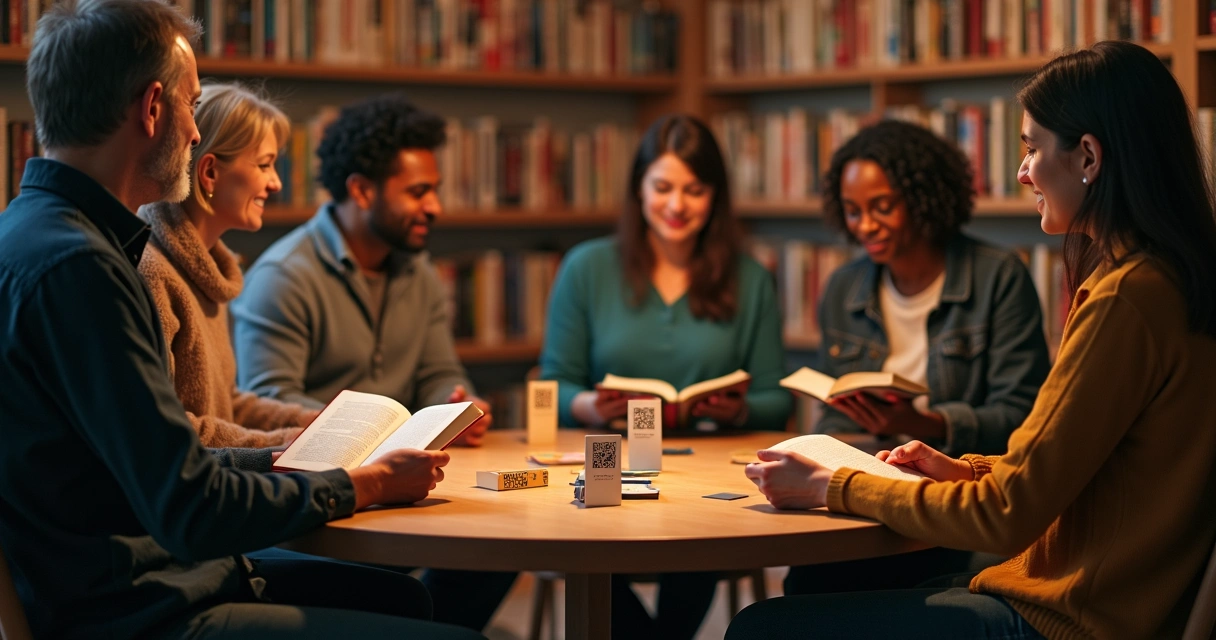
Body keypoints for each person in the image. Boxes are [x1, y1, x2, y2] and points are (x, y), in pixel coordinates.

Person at [0, 1, 479, 638]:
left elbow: (168, 466)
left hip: (157, 578)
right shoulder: (79, 270)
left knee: (407, 603)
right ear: (151, 110)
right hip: (148, 607)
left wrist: (300, 458)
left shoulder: (34, 236)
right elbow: (189, 506)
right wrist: (356, 487)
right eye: (190, 105)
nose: (197, 132)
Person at [734, 40, 1216, 639]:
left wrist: (836, 486)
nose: (1021, 172)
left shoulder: (1125, 297)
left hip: (1073, 617)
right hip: (1101, 597)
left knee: (762, 628)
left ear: (1088, 156)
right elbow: (1068, 471)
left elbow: (1005, 517)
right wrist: (960, 470)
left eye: (1032, 149)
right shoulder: (1168, 277)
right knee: (820, 592)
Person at [230, 93, 515, 630]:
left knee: (507, 540)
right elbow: (265, 403)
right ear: (361, 190)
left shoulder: (418, 272)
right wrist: (373, 447)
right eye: (418, 192)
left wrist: (458, 403)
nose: (434, 206)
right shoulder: (283, 277)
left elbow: (440, 372)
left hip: (400, 486)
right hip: (325, 507)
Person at [539, 114, 792, 639]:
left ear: (715, 195)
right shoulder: (587, 268)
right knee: (586, 547)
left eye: (694, 190)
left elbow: (776, 400)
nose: (677, 206)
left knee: (698, 533)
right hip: (604, 460)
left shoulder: (749, 278)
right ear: (639, 188)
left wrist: (739, 409)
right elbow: (554, 386)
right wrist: (590, 405)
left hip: (707, 473)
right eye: (663, 187)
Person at [783, 119, 1053, 595]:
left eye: (881, 207)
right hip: (869, 490)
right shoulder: (844, 287)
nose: (865, 225)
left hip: (956, 498)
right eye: (851, 211)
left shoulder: (997, 278)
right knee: (805, 581)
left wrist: (927, 423)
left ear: (922, 196)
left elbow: (1023, 420)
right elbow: (831, 412)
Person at [137, 82, 317, 448]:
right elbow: (170, 429)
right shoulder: (152, 271)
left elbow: (224, 404)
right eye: (265, 165)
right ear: (210, 173)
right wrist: (290, 442)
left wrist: (311, 420)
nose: (276, 183)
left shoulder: (208, 270)